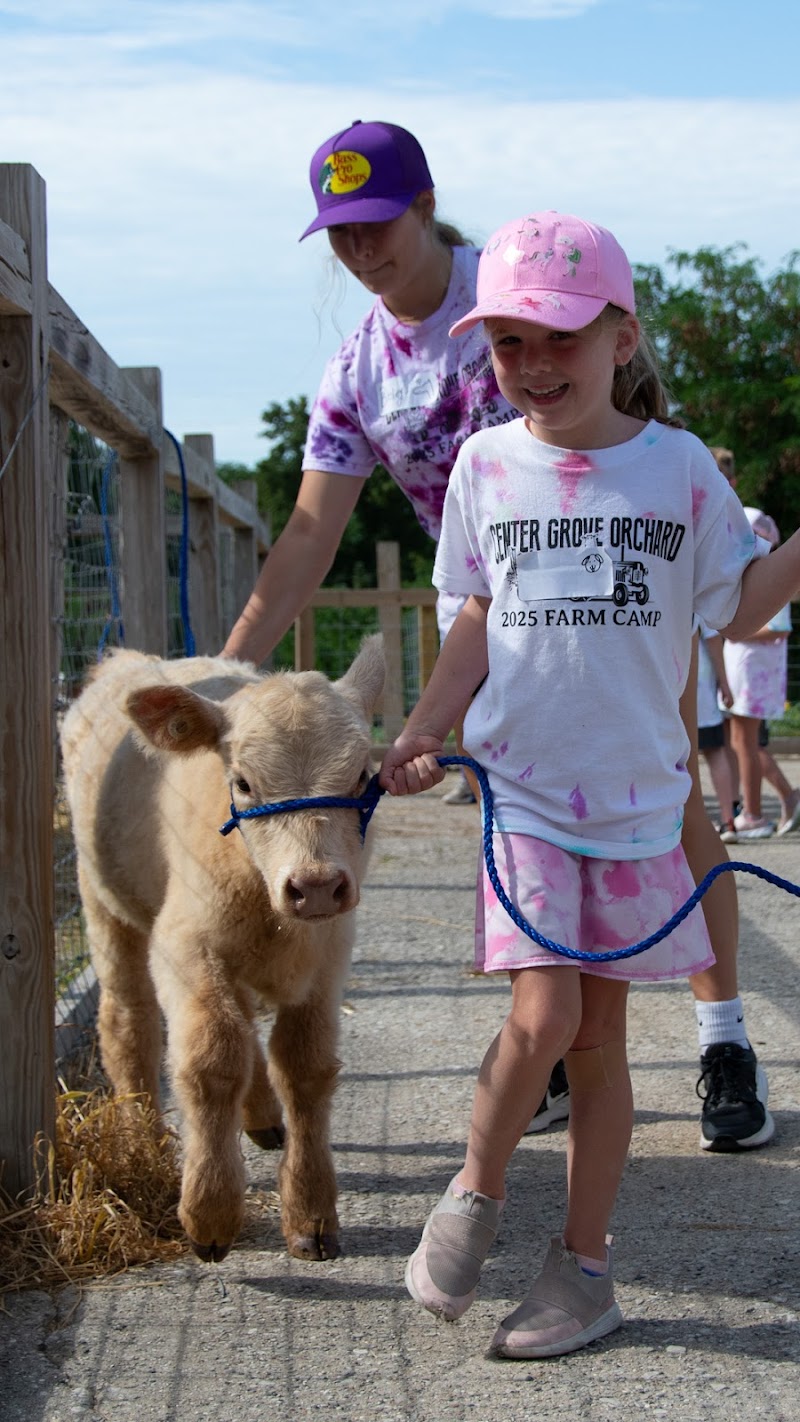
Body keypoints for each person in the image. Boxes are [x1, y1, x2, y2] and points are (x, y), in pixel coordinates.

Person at [223, 120, 772, 1148]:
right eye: (337, 233)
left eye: (376, 223)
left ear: (423, 207)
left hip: (620, 582)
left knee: (663, 793)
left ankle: (720, 1032)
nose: (360, 250)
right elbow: (305, 534)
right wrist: (228, 663)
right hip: (489, 608)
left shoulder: (521, 283)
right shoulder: (356, 372)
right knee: (519, 831)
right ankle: (557, 1045)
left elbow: (630, 404)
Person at [379, 208, 800, 1357]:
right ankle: (473, 1191)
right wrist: (424, 726)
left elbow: (744, 607)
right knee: (546, 1010)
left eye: (558, 338)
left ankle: (585, 1271)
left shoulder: (679, 471)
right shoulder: (485, 464)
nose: (530, 365)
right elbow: (472, 617)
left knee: (600, 1045)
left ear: (621, 336)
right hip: (522, 790)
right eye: (506, 342)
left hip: (634, 802)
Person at [722, 506, 800, 838]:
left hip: (755, 671)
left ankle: (756, 811)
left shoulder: (768, 573)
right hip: (745, 667)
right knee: (741, 741)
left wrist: (728, 627)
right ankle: (783, 798)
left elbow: (779, 629)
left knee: (746, 742)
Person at [696, 625, 737, 840]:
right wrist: (724, 681)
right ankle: (728, 819)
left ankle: (685, 822)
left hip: (670, 678)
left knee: (678, 756)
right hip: (700, 683)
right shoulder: (695, 590)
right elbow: (713, 638)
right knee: (715, 751)